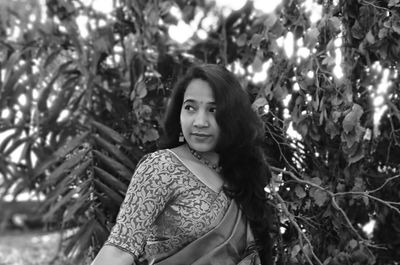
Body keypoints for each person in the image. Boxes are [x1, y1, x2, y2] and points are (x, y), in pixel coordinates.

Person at [91, 64, 273, 265]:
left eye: (213, 110)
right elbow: (119, 249)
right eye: (190, 108)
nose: (200, 121)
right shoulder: (162, 167)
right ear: (179, 113)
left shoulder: (241, 178)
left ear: (232, 116)